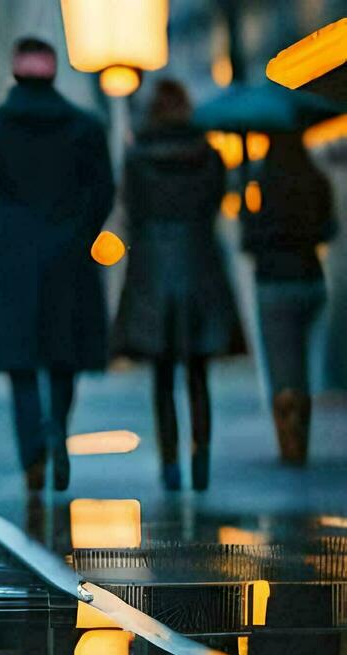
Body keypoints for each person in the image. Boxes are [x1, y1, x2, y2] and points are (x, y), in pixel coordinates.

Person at [0, 37, 115, 492]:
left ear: (15, 72)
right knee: (63, 354)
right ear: (52, 73)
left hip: (15, 256)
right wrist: (81, 231)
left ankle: (32, 453)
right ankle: (59, 431)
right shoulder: (85, 127)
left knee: (21, 360)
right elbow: (103, 189)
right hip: (68, 252)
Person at [113, 80, 243, 491]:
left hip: (153, 269)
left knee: (162, 376)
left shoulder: (136, 157)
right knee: (198, 374)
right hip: (200, 264)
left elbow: (131, 210)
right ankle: (200, 457)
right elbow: (216, 203)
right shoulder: (209, 155)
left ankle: (169, 464)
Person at [242, 131, 336, 465]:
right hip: (310, 279)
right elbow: (330, 229)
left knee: (283, 369)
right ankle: (303, 436)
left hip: (274, 283)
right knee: (304, 366)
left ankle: (290, 445)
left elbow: (248, 239)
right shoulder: (316, 178)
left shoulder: (261, 182)